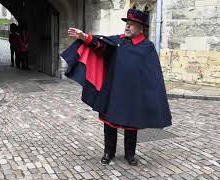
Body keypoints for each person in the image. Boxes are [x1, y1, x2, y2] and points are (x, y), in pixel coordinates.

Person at [61, 9, 172, 166]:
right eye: (127, 23)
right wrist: (83, 36)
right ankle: (108, 152)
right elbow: (99, 44)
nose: (127, 26)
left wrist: (151, 95)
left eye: (131, 24)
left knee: (132, 124)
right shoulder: (117, 42)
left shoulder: (147, 47)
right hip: (113, 91)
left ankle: (130, 154)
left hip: (134, 93)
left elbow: (153, 75)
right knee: (109, 123)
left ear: (141, 28)